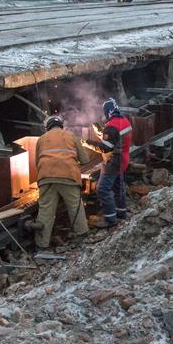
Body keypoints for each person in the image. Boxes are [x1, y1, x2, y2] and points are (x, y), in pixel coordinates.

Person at [30, 115, 90, 250]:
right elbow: (85, 160)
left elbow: (36, 163)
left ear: (48, 127)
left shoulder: (41, 139)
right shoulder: (71, 136)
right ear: (61, 126)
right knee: (75, 206)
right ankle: (82, 234)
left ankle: (41, 244)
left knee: (45, 210)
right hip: (68, 176)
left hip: (46, 177)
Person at [83, 98, 133, 228]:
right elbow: (115, 139)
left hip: (113, 161)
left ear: (107, 111)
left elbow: (106, 147)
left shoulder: (111, 126)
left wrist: (86, 142)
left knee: (102, 189)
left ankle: (110, 219)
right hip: (124, 159)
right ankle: (121, 212)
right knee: (118, 187)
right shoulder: (124, 120)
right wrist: (101, 131)